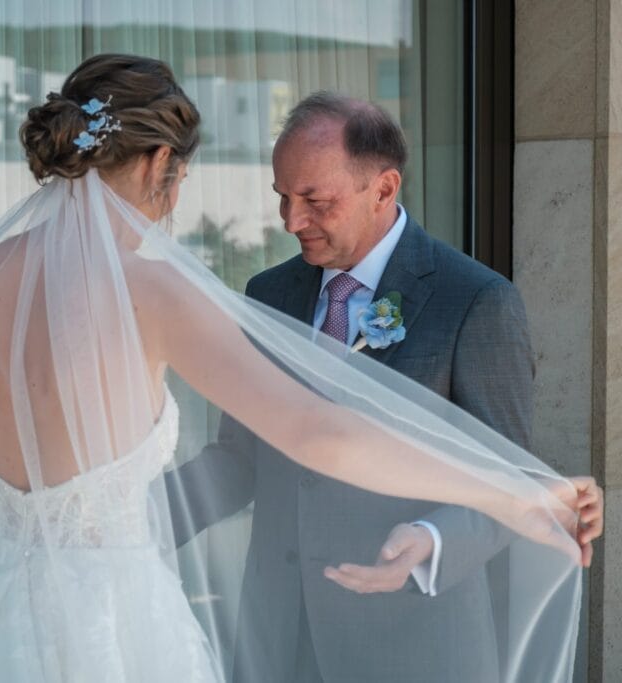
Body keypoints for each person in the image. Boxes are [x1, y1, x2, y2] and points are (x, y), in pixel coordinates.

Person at [0, 55, 600, 683]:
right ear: (162, 160)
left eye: (314, 198)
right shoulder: (155, 288)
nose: (292, 218)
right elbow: (314, 432)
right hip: (113, 623)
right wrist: (513, 493)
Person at [166, 92, 604, 682]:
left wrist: (430, 539)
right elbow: (241, 458)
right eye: (283, 199)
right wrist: (136, 514)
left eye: (315, 201)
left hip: (414, 645)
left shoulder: (475, 302)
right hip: (276, 639)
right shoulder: (268, 295)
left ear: (383, 188)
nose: (292, 222)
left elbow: (513, 477)